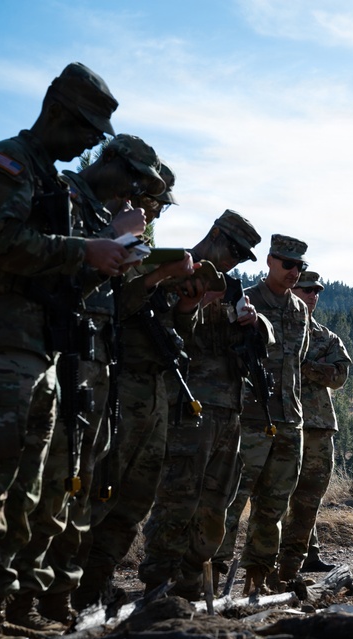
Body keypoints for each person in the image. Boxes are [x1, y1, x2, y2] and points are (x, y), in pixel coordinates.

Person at [6, 134, 167, 630]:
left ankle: (54, 597)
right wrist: (109, 240)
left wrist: (127, 260)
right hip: (52, 353)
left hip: (95, 363)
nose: (137, 196)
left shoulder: (99, 213)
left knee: (76, 487)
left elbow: (96, 296)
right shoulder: (64, 196)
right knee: (35, 486)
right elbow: (47, 274)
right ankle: (21, 596)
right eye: (135, 182)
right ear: (111, 163)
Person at [0, 62, 129, 637]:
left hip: (42, 353)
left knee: (26, 493)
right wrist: (85, 250)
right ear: (57, 111)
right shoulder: (10, 164)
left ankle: (5, 610)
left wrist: (107, 261)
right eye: (85, 132)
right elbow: (4, 242)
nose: (85, 148)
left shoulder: (49, 179)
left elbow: (65, 280)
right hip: (7, 345)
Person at [73, 163, 198, 610]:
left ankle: (93, 587)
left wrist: (184, 303)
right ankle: (63, 590)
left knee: (134, 500)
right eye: (155, 200)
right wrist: (155, 278)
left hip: (151, 389)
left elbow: (159, 322)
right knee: (98, 492)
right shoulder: (105, 230)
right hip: (114, 382)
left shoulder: (143, 244)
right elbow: (108, 304)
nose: (157, 210)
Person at [138, 210, 269, 600]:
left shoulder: (232, 287)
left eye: (241, 255)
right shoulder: (174, 272)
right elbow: (153, 331)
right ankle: (157, 580)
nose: (233, 259)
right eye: (232, 249)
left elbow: (259, 344)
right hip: (186, 402)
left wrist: (255, 323)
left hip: (229, 407)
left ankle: (191, 582)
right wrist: (189, 308)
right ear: (213, 234)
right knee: (178, 495)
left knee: (216, 503)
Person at [213, 234, 310, 596]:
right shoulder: (246, 301)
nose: (294, 272)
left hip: (290, 420)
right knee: (232, 502)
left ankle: (257, 578)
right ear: (270, 261)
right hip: (251, 420)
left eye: (300, 266)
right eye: (288, 264)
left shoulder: (300, 310)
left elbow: (296, 366)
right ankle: (211, 576)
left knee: (273, 506)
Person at [276, 271, 351, 582]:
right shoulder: (277, 328)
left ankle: (306, 556)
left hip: (317, 425)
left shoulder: (327, 337)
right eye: (306, 289)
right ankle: (272, 561)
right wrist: (315, 369)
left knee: (309, 495)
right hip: (278, 420)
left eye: (316, 291)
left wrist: (302, 367)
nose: (312, 296)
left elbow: (340, 375)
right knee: (277, 493)